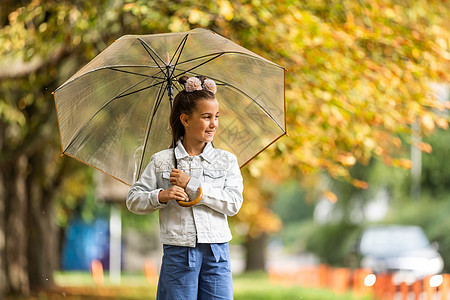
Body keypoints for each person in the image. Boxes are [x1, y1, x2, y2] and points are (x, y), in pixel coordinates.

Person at [126, 75, 244, 300]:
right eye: (206, 117)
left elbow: (233, 203)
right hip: (179, 252)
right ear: (186, 120)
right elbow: (133, 199)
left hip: (217, 253)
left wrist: (192, 184)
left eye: (216, 117)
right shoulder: (162, 161)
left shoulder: (226, 161)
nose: (214, 124)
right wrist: (162, 195)